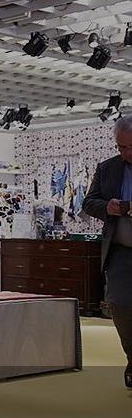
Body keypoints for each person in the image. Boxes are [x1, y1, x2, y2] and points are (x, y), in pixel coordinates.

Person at [82, 115, 132, 389]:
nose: (127, 153)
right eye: (122, 147)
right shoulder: (107, 168)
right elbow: (89, 202)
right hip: (121, 252)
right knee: (120, 305)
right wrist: (108, 207)